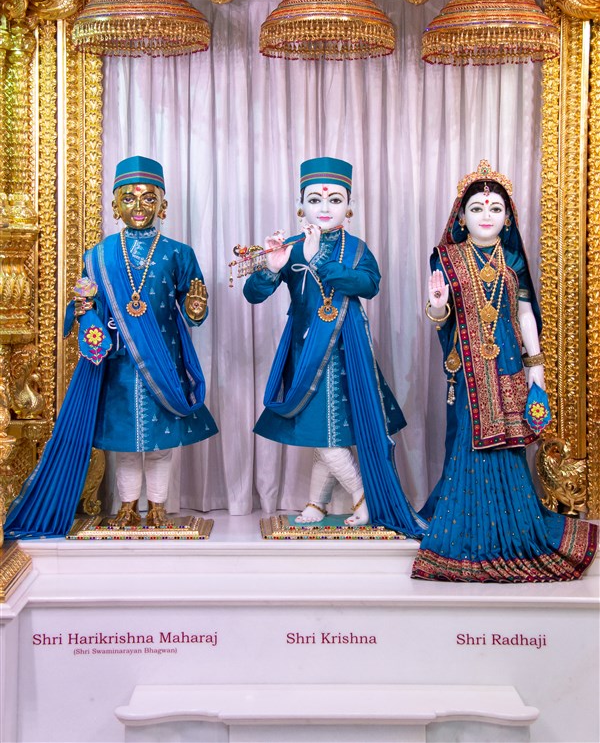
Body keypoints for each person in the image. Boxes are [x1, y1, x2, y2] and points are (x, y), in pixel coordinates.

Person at [4, 156, 217, 536]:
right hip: (119, 363)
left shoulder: (178, 253)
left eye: (149, 199)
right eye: (129, 199)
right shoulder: (98, 255)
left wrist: (196, 308)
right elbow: (86, 304)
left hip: (163, 360)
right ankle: (126, 507)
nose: (139, 207)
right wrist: (84, 313)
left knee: (159, 444)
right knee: (124, 443)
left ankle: (158, 508)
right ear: (115, 205)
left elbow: (193, 308)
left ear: (163, 205)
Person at [412, 160, 597, 581]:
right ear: (461, 216)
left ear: (508, 217)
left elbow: (525, 314)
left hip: (509, 364)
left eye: (495, 209)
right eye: (477, 208)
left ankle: (512, 525)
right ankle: (466, 526)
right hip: (468, 370)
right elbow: (438, 316)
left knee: (509, 442)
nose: (486, 216)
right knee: (467, 438)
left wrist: (537, 369)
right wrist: (437, 304)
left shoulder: (512, 257)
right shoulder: (446, 257)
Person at [243, 157, 425, 536]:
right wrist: (272, 268)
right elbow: (253, 294)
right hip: (304, 349)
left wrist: (319, 262)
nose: (324, 207)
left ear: (349, 206)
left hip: (347, 348)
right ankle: (318, 501)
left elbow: (368, 285)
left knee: (327, 430)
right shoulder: (289, 247)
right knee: (322, 429)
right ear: (301, 205)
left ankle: (363, 496)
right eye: (315, 200)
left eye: (335, 200)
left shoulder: (356, 248)